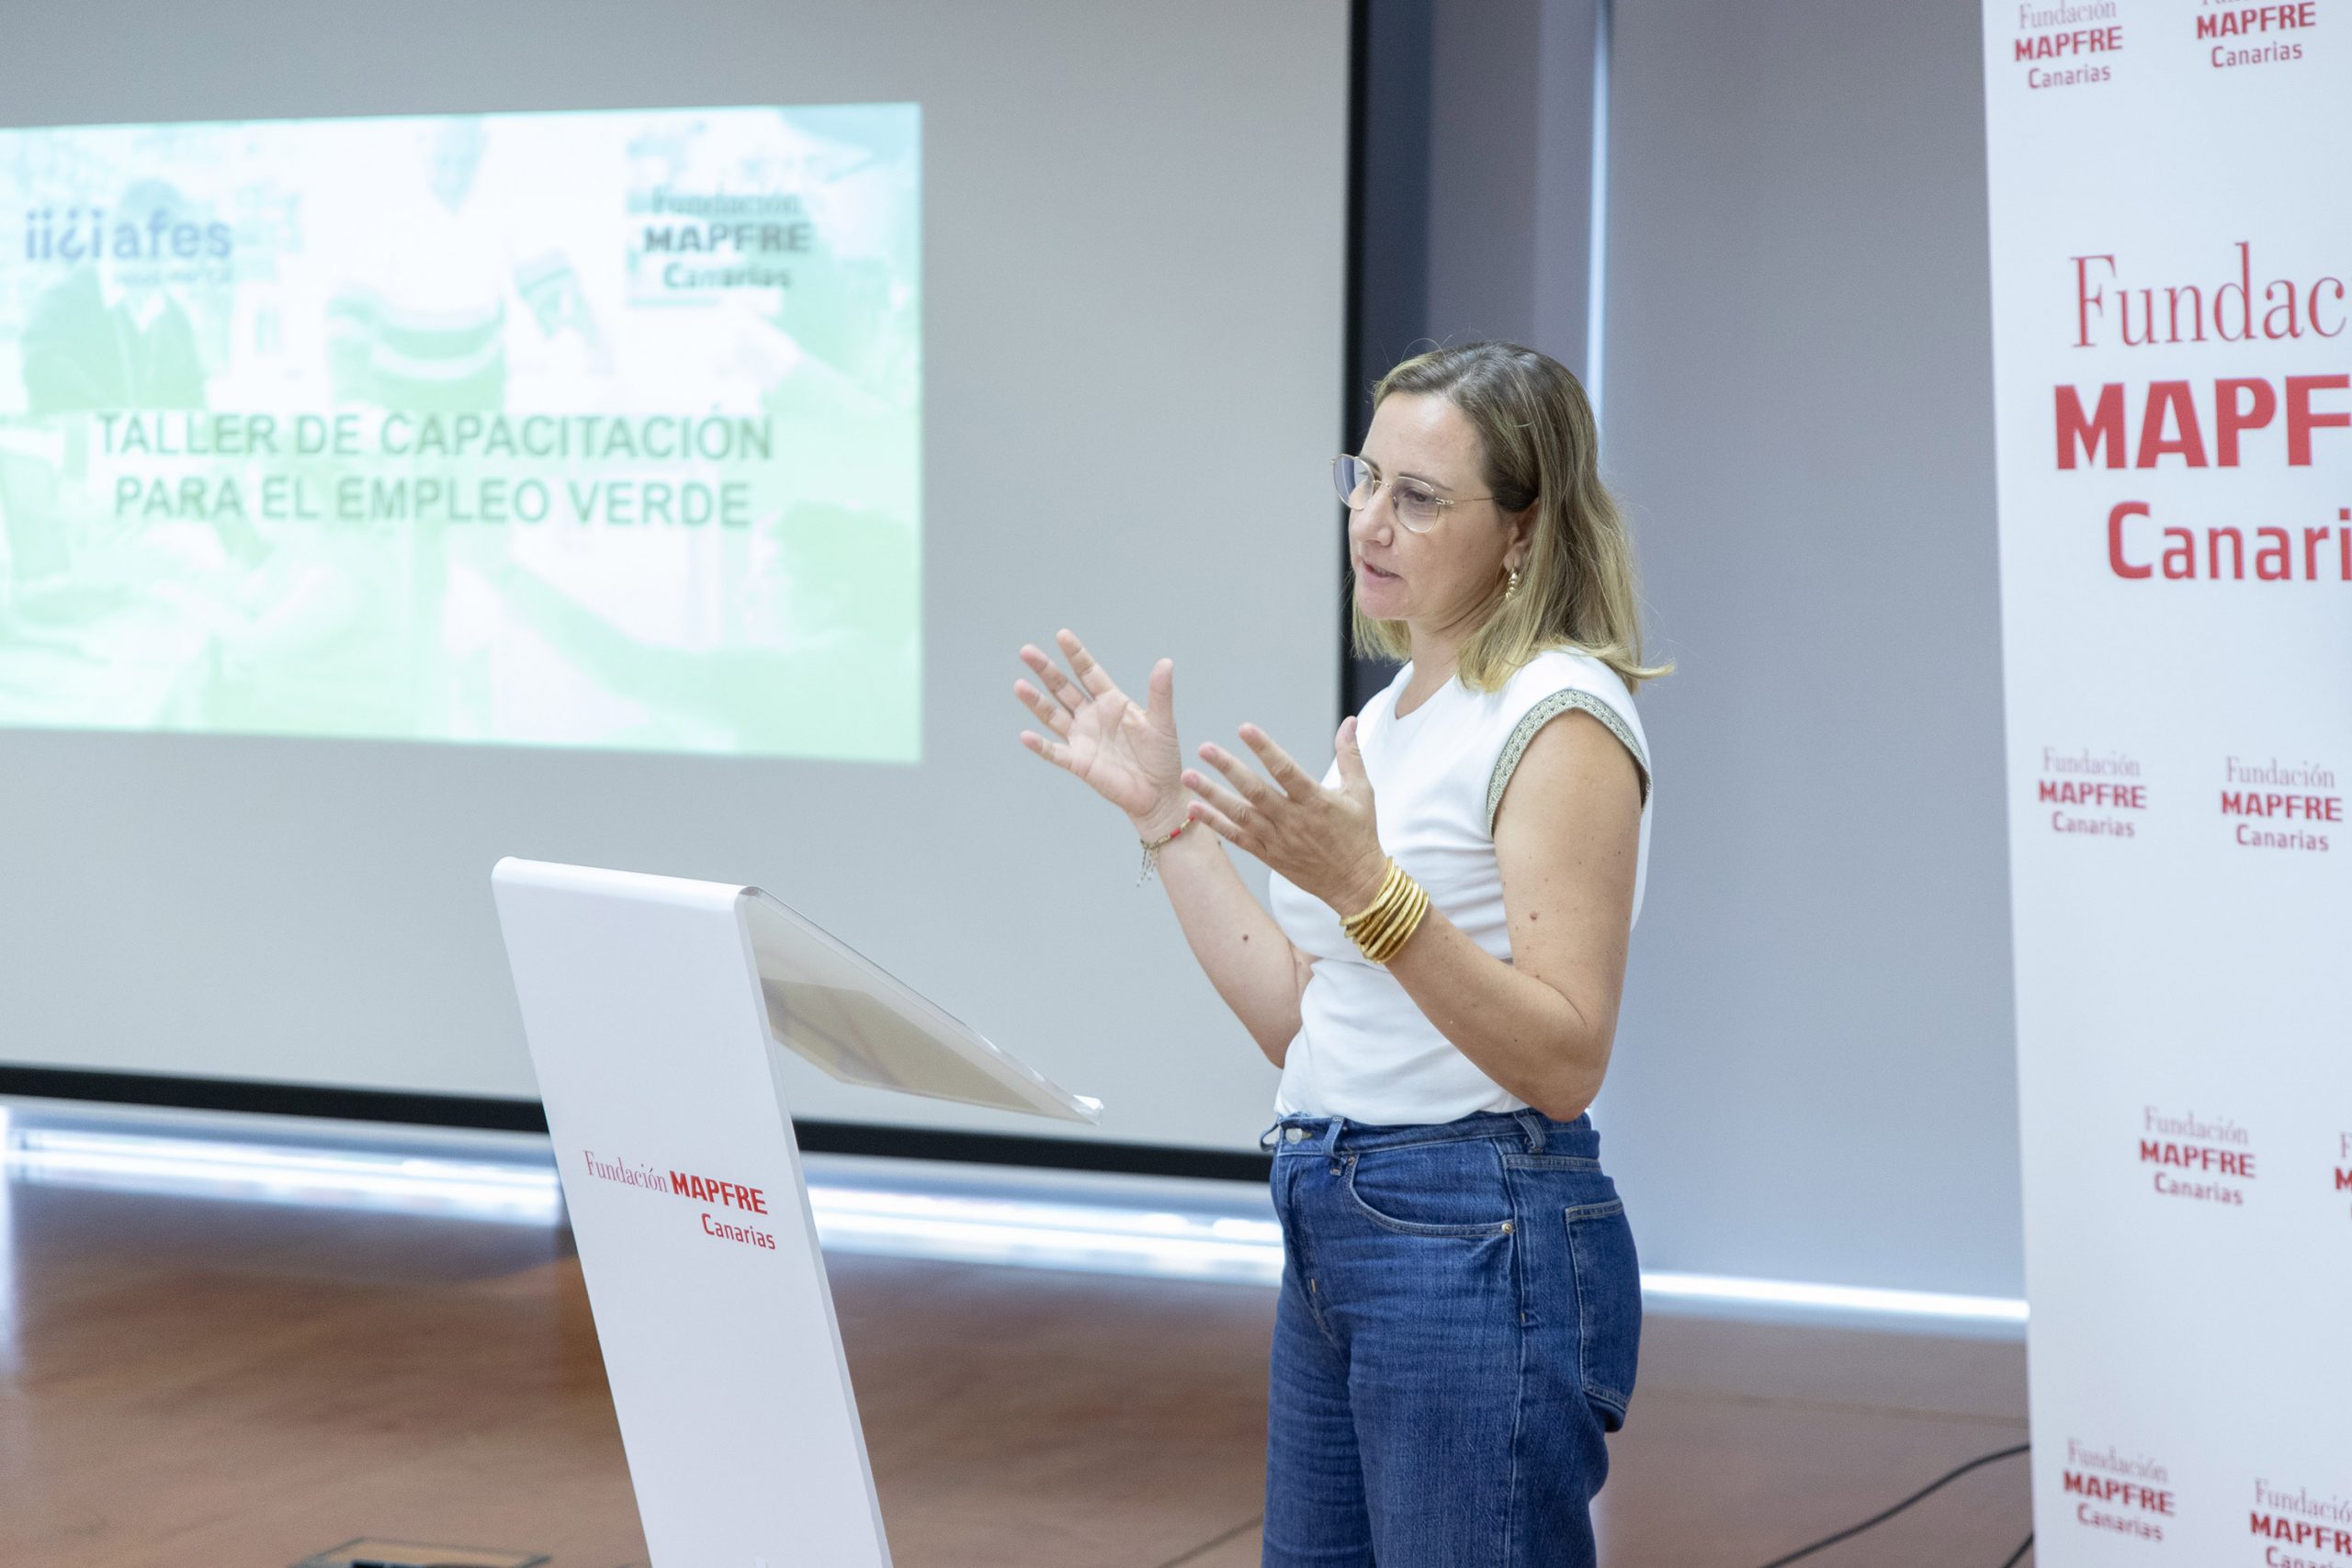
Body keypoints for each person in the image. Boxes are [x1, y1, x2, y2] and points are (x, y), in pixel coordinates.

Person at [1012, 341, 1665, 1567]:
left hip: (1473, 1231)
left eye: (1419, 498)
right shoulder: (1397, 715)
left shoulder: (1560, 713)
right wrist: (1167, 821)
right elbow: (1307, 1026)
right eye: (1364, 478)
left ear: (1523, 530)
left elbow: (1567, 1055)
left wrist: (1369, 888)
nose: (1371, 519)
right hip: (1335, 1207)